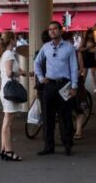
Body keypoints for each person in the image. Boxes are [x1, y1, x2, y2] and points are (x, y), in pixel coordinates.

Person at [33, 20, 79, 156]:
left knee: (65, 117)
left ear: (60, 30)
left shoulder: (69, 47)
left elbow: (74, 68)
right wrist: (41, 78)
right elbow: (36, 63)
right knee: (48, 117)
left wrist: (74, 86)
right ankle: (48, 146)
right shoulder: (46, 47)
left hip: (64, 85)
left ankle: (67, 145)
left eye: (55, 29)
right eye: (50, 29)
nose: (52, 31)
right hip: (50, 85)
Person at [0, 31, 26, 161]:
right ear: (12, 40)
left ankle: (4, 149)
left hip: (5, 90)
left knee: (6, 121)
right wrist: (19, 73)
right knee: (8, 123)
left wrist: (23, 72)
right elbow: (9, 73)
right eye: (15, 38)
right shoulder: (9, 54)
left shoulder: (5, 54)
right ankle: (9, 151)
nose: (17, 40)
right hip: (9, 90)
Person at [81, 29, 96, 93]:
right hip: (86, 57)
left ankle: (95, 87)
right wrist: (87, 47)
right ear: (88, 34)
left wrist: (95, 58)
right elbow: (80, 49)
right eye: (90, 34)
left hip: (92, 57)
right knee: (85, 74)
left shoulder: (93, 40)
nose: (91, 35)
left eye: (92, 34)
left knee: (93, 73)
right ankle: (82, 87)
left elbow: (94, 51)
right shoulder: (84, 40)